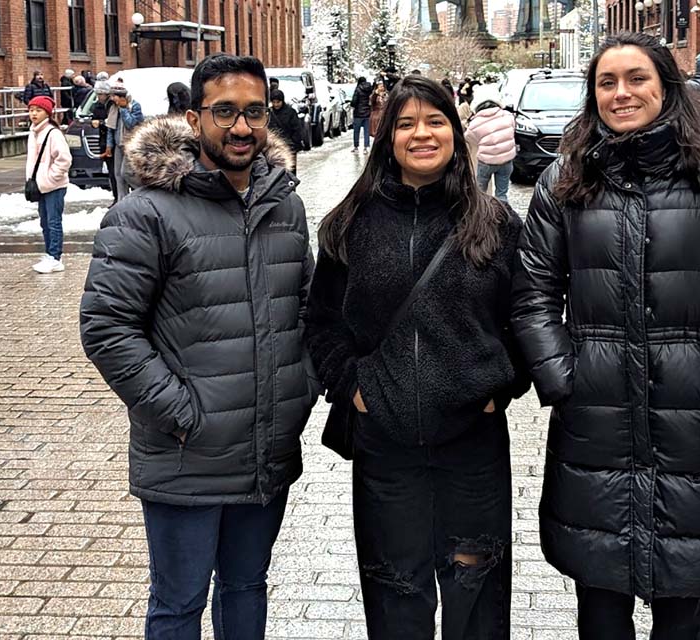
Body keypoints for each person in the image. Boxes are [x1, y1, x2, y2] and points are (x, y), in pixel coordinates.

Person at [511, 31, 700, 640]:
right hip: (594, 411)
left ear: (666, 88)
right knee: (600, 596)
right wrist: (561, 376)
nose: (622, 93)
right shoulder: (565, 180)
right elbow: (532, 293)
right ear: (592, 94)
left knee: (686, 592)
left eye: (636, 80)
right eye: (607, 82)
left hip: (691, 410)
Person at [80, 53, 318, 640]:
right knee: (179, 603)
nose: (242, 128)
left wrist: (300, 390)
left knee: (245, 590)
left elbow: (309, 311)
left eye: (254, 112)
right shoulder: (146, 214)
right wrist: (181, 413)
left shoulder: (283, 206)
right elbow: (108, 328)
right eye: (224, 112)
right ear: (193, 119)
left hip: (266, 447)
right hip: (187, 454)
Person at [305, 74, 528, 640]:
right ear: (387, 136)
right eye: (406, 123)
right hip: (387, 447)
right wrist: (353, 386)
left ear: (456, 130)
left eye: (435, 121)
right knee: (394, 592)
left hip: (471, 448)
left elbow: (527, 320)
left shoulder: (496, 224)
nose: (421, 134)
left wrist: (499, 388)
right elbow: (322, 323)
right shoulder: (349, 223)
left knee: (475, 592)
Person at [25, 96, 72, 274]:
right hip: (39, 185)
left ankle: (55, 257)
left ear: (47, 113)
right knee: (44, 221)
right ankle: (49, 253)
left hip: (53, 185)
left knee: (53, 221)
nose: (34, 114)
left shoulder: (53, 133)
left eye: (38, 110)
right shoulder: (34, 132)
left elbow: (64, 159)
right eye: (31, 110)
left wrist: (51, 178)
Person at [464, 84, 516, 203]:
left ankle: (482, 215)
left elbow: (469, 138)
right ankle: (503, 215)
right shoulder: (508, 116)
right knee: (502, 193)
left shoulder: (475, 123)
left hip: (486, 162)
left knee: (481, 192)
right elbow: (512, 130)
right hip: (506, 161)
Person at [105, 83, 144, 200]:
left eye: (114, 96)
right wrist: (109, 145)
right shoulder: (113, 108)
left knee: (126, 173)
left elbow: (131, 123)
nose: (112, 99)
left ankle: (140, 193)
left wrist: (123, 109)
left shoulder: (134, 106)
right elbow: (111, 129)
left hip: (130, 144)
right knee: (118, 175)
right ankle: (122, 199)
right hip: (118, 144)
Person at [91, 82, 118, 204]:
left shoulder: (111, 105)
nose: (98, 97)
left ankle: (118, 196)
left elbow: (111, 123)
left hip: (112, 142)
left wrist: (101, 122)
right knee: (111, 172)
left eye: (100, 94)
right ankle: (116, 196)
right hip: (103, 140)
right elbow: (94, 119)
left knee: (115, 172)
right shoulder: (97, 106)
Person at [268, 89, 306, 173]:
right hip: (274, 148)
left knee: (289, 171)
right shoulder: (269, 113)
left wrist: (293, 145)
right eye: (274, 102)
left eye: (278, 102)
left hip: (289, 147)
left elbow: (297, 129)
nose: (276, 104)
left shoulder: (290, 112)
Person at [351, 76, 373, 153]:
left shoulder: (358, 89)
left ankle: (356, 147)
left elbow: (354, 102)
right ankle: (366, 147)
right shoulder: (370, 89)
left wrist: (353, 105)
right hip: (367, 113)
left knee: (356, 131)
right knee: (366, 131)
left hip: (358, 114)